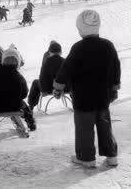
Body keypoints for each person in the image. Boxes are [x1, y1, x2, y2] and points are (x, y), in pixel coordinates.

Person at [53, 10, 121, 168]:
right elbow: (116, 66)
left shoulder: (78, 48)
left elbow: (66, 69)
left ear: (81, 29)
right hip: (103, 96)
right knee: (105, 126)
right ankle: (112, 156)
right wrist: (114, 85)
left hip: (83, 98)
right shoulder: (108, 45)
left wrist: (58, 87)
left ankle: (86, 158)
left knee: (84, 128)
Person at [27, 41, 66, 111]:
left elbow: (42, 78)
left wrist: (43, 90)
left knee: (35, 82)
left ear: (50, 52)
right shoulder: (65, 61)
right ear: (60, 52)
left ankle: (31, 106)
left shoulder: (47, 62)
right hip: (64, 88)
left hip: (49, 88)